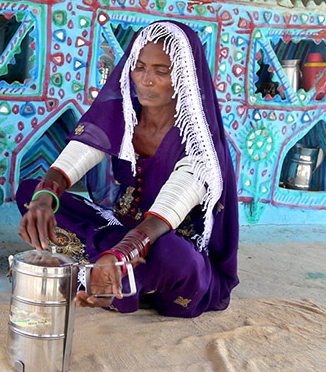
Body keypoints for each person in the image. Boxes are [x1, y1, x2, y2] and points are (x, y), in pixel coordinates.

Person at [16, 20, 238, 317]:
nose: (146, 80)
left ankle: (107, 273)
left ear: (185, 76)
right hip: (121, 226)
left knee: (176, 256)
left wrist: (123, 254)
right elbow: (74, 158)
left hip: (165, 241)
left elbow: (165, 214)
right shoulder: (124, 114)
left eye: (161, 71)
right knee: (32, 191)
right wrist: (45, 199)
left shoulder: (201, 140)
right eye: (140, 67)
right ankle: (110, 274)